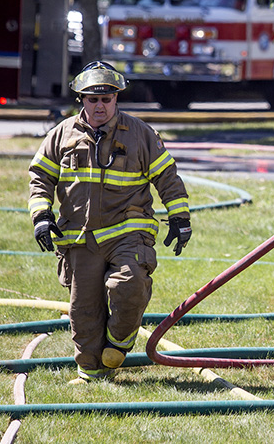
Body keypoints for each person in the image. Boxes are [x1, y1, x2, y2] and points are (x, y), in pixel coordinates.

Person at [28, 62, 191, 384]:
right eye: (93, 100)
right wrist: (42, 216)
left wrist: (180, 217)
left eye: (107, 99)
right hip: (79, 237)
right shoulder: (61, 135)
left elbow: (167, 177)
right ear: (81, 100)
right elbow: (40, 177)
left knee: (129, 285)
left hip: (128, 232)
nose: (100, 106)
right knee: (83, 312)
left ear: (116, 98)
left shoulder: (140, 134)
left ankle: (118, 342)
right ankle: (91, 374)